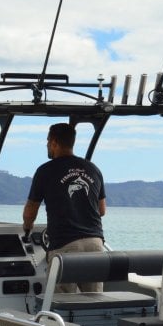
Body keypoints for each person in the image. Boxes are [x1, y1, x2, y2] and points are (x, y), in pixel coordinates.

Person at [22, 123, 107, 293]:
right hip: (95, 245)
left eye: (47, 141)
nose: (47, 145)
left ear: (54, 142)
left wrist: (27, 229)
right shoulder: (92, 169)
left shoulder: (45, 171)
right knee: (94, 301)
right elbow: (102, 210)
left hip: (65, 246)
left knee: (61, 302)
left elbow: (31, 210)